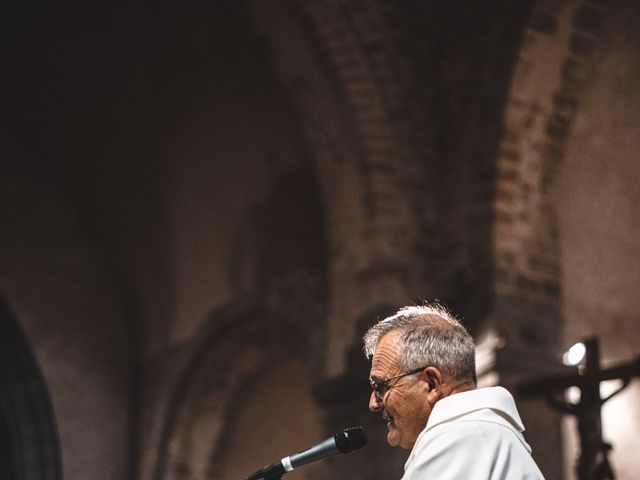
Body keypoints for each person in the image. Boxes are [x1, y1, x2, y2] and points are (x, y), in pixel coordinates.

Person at [363, 303, 545, 479]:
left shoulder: (458, 437)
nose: (373, 403)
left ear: (432, 384)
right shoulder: (482, 432)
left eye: (380, 386)